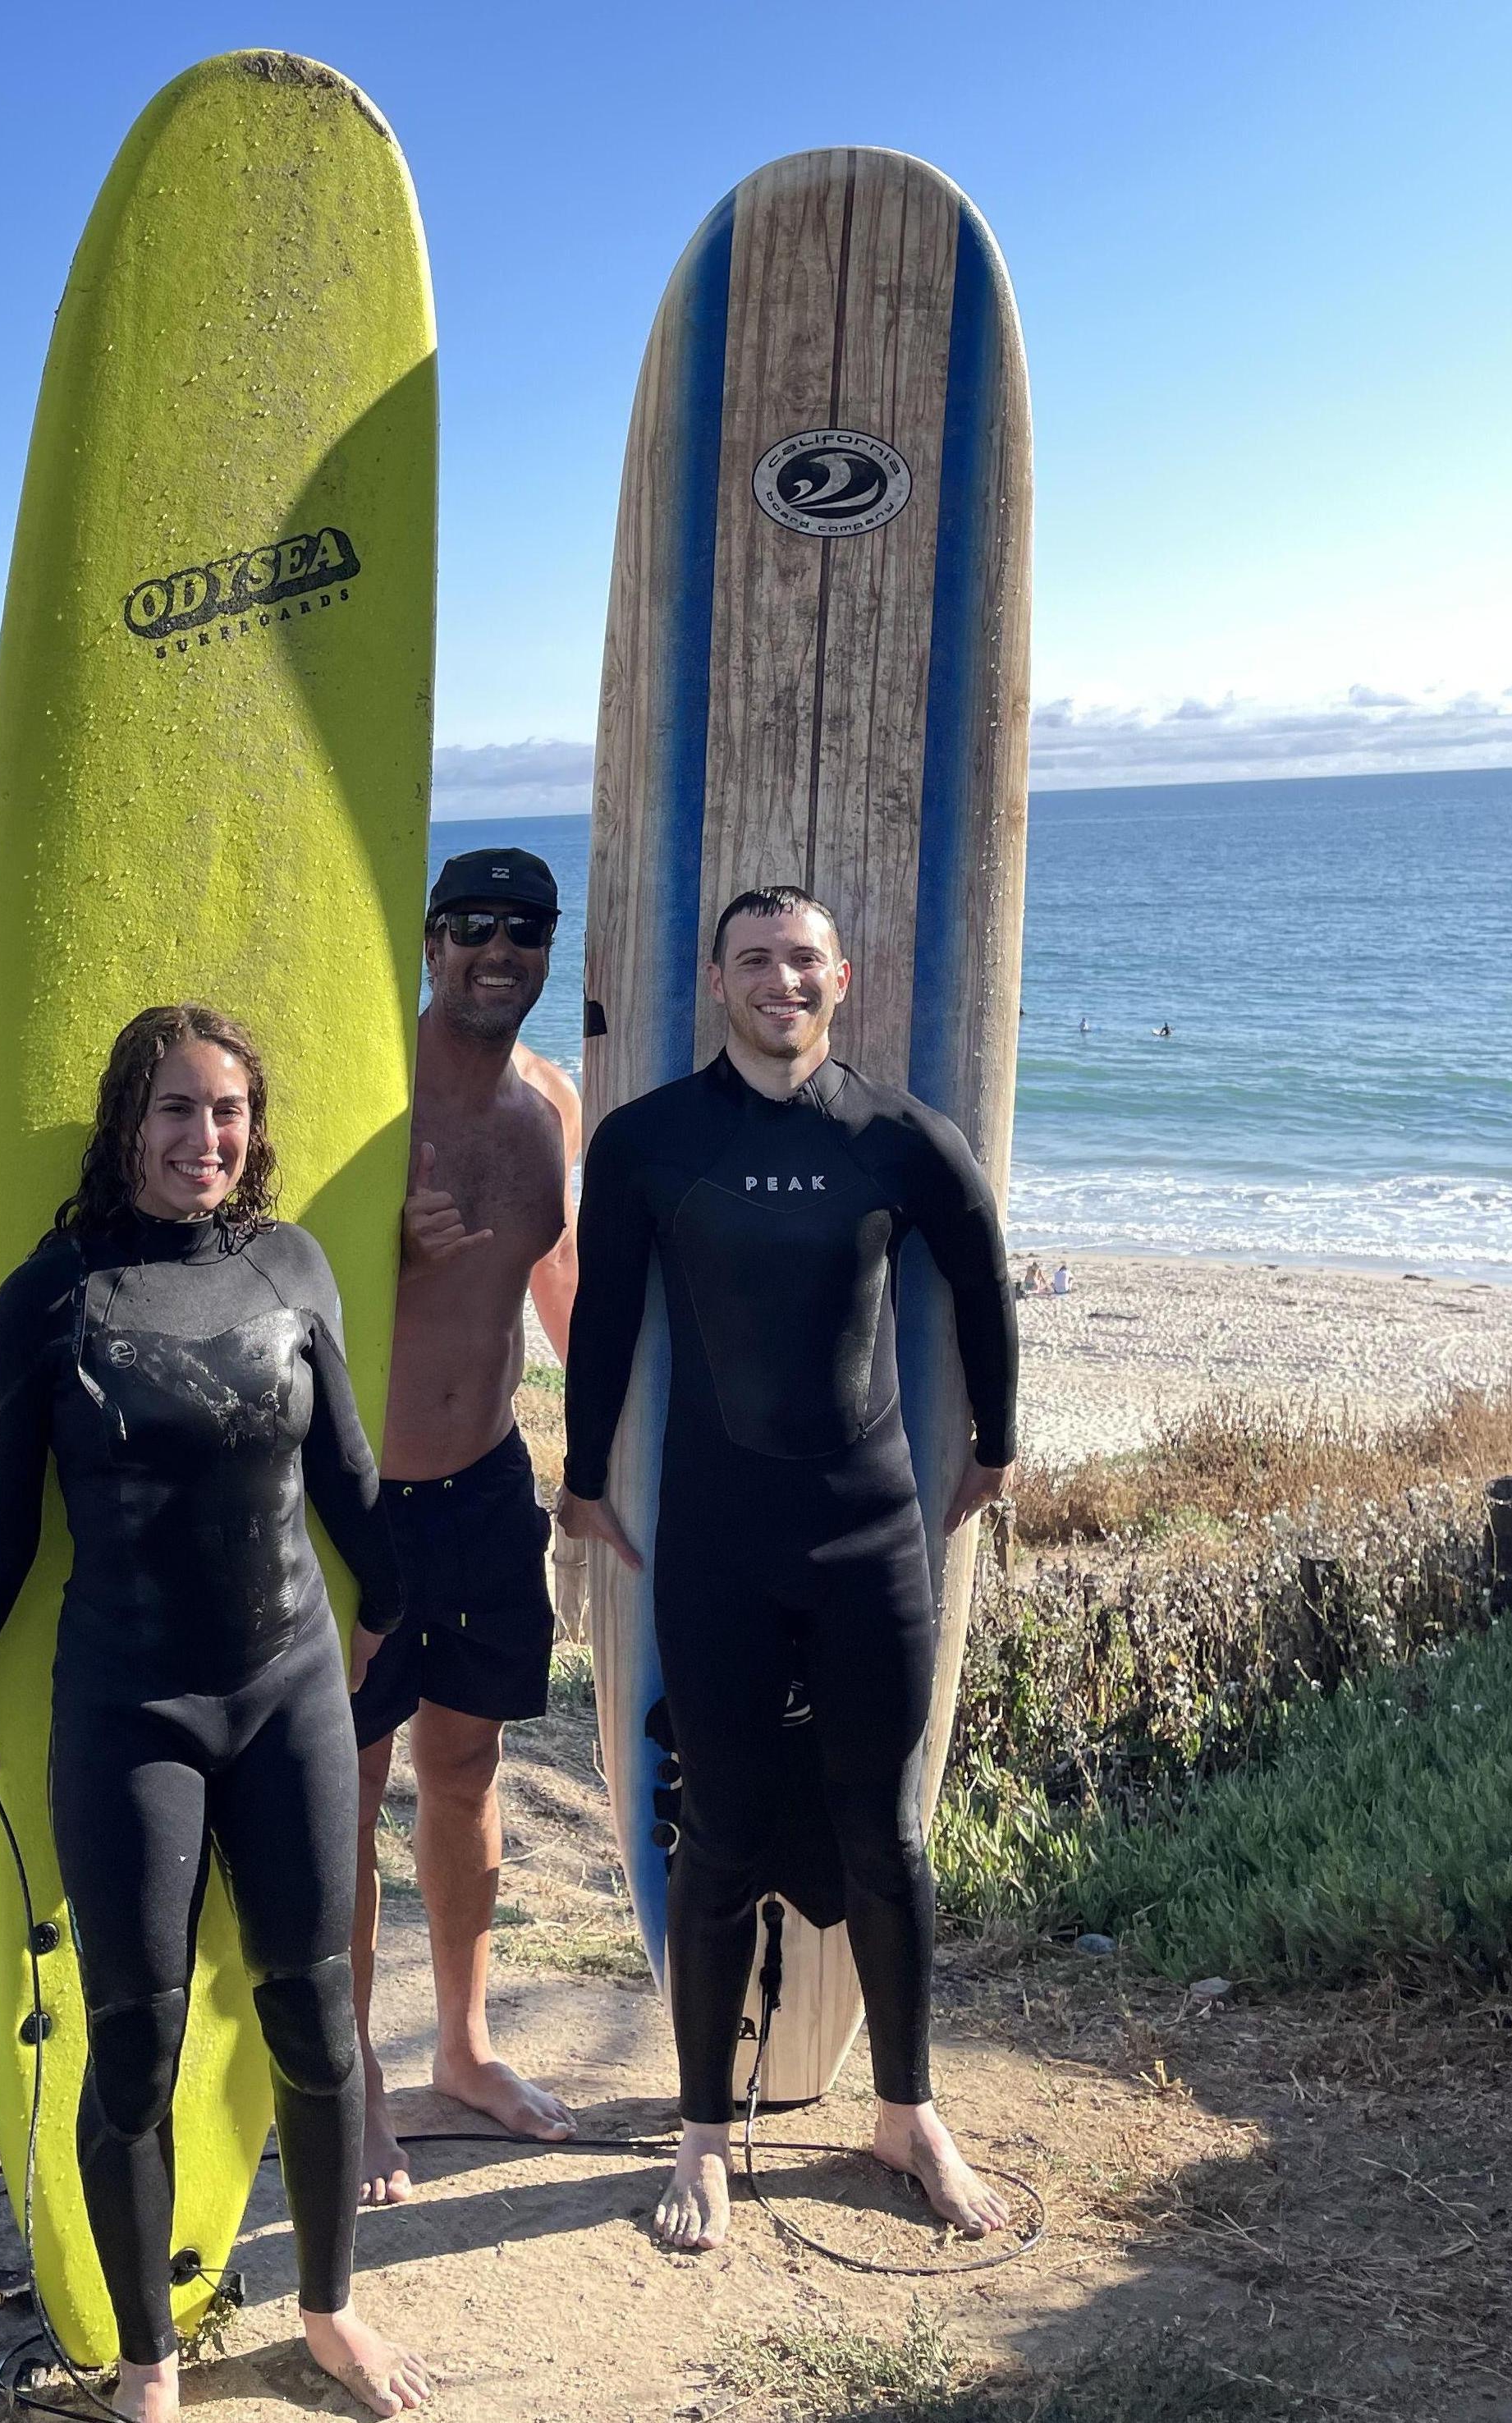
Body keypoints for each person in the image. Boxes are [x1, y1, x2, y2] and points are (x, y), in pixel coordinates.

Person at [0, 1005, 429, 2422]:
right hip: (130, 1706)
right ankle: (149, 2364)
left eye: (229, 1112)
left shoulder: (292, 1267)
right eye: (178, 1112)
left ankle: (328, 2308)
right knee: (129, 2040)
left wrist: (393, 1604)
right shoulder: (52, 1300)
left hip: (287, 1689)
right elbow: (1, 1530)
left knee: (316, 2018)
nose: (207, 1139)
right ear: (126, 1123)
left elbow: (348, 1473)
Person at [557, 885, 1018, 2255]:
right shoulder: (647, 1143)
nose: (779, 980)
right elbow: (606, 1318)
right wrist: (582, 1482)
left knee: (887, 1836)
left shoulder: (891, 1136)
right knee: (715, 1841)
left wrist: (994, 1442)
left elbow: (981, 1269)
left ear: (843, 977)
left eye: (801, 959)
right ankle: (702, 2132)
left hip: (870, 1536)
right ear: (715, 982)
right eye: (753, 959)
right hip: (714, 1542)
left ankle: (905, 2113)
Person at [351, 848, 582, 2206]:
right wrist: (385, 1249)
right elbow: (279, 1279)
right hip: (362, 1498)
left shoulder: (549, 1104)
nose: (498, 951)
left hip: (490, 1486)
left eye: (525, 932)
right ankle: (357, 2083)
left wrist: (613, 1466)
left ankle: (463, 2047)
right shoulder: (370, 1097)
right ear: (430, 943)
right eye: (472, 929)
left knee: (463, 1771)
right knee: (345, 1795)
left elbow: (565, 1300)